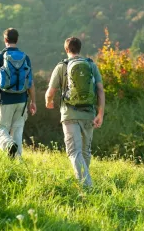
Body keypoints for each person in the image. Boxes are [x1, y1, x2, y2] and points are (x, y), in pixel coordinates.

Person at [45, 37, 105, 187]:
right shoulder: (91, 65)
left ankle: (87, 186)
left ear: (66, 50)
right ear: (80, 48)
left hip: (69, 114)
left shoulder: (62, 66)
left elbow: (50, 92)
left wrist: (48, 102)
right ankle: (85, 182)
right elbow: (100, 90)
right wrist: (100, 114)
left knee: (74, 152)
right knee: (85, 152)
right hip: (89, 114)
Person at [0, 28, 37, 158]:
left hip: (4, 100)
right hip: (22, 100)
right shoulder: (25, 57)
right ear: (17, 40)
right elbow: (30, 83)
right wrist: (33, 101)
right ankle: (17, 162)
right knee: (17, 132)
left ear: (5, 40)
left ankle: (8, 145)